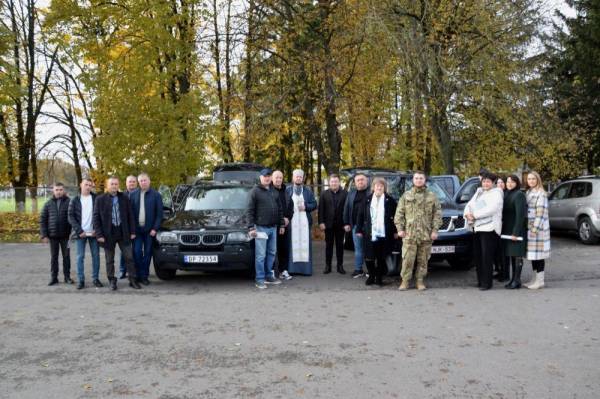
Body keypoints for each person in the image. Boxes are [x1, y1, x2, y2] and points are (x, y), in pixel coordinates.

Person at [395, 172, 442, 291]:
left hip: (426, 234)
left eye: (421, 178)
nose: (419, 180)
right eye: (416, 178)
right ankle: (405, 281)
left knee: (423, 260)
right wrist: (400, 229)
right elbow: (399, 214)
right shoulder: (406, 196)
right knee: (407, 259)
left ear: (425, 180)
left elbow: (437, 215)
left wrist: (435, 230)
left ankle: (420, 281)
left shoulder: (432, 196)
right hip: (409, 234)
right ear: (413, 180)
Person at [93, 176, 141, 290]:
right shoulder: (100, 199)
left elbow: (131, 215)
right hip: (107, 234)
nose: (114, 186)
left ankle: (132, 279)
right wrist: (99, 234)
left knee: (129, 257)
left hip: (123, 232)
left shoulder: (124, 198)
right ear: (107, 186)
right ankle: (112, 280)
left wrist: (133, 231)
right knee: (109, 259)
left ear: (118, 185)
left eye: (116, 184)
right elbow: (96, 218)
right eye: (112, 184)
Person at [464, 172, 504, 290]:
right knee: (478, 256)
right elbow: (469, 205)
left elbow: (491, 209)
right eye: (484, 181)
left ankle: (487, 283)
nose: (485, 183)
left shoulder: (497, 193)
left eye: (488, 182)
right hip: (477, 228)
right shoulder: (479, 192)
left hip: (489, 229)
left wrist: (474, 215)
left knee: (487, 257)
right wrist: (467, 214)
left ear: (493, 183)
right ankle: (481, 281)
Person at [247, 168, 286, 289]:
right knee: (260, 256)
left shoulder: (274, 191)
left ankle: (269, 276)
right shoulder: (255, 191)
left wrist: (282, 225)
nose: (267, 178)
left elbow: (280, 209)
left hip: (273, 228)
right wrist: (251, 228)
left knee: (272, 253)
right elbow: (250, 211)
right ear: (260, 178)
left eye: (269, 176)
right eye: (265, 176)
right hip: (260, 228)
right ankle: (259, 279)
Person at [356, 178, 397, 286]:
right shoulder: (367, 200)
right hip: (370, 233)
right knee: (369, 257)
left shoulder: (390, 200)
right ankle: (372, 276)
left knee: (381, 258)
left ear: (384, 188)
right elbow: (360, 215)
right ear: (373, 187)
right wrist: (359, 229)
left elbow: (396, 217)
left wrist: (396, 231)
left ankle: (379, 277)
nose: (379, 188)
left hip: (385, 233)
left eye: (381, 186)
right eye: (377, 186)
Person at [68, 177, 101, 289]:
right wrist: (79, 231)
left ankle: (95, 279)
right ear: (81, 185)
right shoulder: (75, 200)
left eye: (90, 185)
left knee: (96, 256)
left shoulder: (96, 198)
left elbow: (101, 216)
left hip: (93, 233)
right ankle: (81, 280)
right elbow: (70, 216)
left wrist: (97, 230)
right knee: (80, 257)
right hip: (80, 234)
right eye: (86, 184)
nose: (88, 187)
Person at [130, 173, 163, 285]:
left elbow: (159, 215)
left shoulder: (156, 195)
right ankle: (138, 274)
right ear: (138, 183)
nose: (143, 182)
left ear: (149, 181)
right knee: (137, 252)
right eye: (141, 181)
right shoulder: (133, 195)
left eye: (145, 180)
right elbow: (130, 214)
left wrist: (155, 228)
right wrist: (132, 230)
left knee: (148, 253)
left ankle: (144, 276)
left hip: (150, 231)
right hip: (137, 231)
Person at [286, 169, 317, 276]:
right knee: (292, 245)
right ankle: (292, 269)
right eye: (296, 176)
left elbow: (314, 204)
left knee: (304, 245)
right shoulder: (288, 190)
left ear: (303, 178)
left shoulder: (308, 191)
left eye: (300, 176)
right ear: (293, 177)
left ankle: (305, 270)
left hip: (304, 223)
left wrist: (306, 206)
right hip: (292, 223)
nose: (298, 178)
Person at [40, 183, 73, 286]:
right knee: (54, 257)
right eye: (57, 190)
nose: (59, 191)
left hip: (66, 236)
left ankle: (67, 277)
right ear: (53, 191)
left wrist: (73, 233)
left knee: (66, 257)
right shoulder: (48, 204)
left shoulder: (69, 202)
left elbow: (74, 218)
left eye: (61, 189)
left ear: (64, 190)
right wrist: (44, 235)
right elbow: (43, 220)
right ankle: (54, 278)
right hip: (53, 236)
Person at [525, 171, 551, 290]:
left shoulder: (541, 194)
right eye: (529, 179)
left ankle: (540, 281)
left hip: (538, 229)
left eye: (533, 179)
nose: (531, 181)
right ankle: (534, 278)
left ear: (538, 180)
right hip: (530, 227)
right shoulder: (529, 192)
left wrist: (535, 228)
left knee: (539, 255)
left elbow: (540, 213)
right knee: (533, 255)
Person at [318, 174, 348, 274]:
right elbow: (321, 209)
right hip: (328, 225)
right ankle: (328, 266)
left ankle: (340, 266)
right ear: (329, 183)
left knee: (340, 246)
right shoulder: (324, 194)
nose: (334, 183)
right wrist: (321, 222)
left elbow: (347, 210)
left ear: (339, 182)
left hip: (341, 224)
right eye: (332, 181)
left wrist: (347, 223)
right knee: (328, 246)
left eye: (336, 181)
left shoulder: (345, 193)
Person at [502, 175, 528, 289]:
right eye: (508, 181)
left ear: (517, 183)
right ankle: (513, 279)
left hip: (516, 230)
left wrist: (515, 233)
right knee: (512, 255)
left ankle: (517, 280)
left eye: (512, 182)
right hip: (507, 230)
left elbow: (520, 216)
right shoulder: (507, 194)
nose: (509, 183)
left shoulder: (519, 195)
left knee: (517, 255)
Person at [343, 173, 370, 278]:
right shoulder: (351, 194)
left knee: (369, 249)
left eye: (362, 180)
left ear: (366, 181)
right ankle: (358, 270)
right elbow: (346, 209)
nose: (360, 182)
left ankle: (370, 270)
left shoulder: (371, 192)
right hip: (355, 226)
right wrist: (346, 223)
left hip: (369, 227)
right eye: (358, 180)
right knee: (358, 249)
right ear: (355, 182)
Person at [272, 170, 293, 280]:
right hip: (273, 225)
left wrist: (288, 218)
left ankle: (283, 270)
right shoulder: (269, 191)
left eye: (280, 177)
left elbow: (290, 206)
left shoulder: (286, 191)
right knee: (272, 250)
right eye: (276, 177)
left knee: (284, 249)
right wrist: (280, 221)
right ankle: (272, 272)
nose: (279, 179)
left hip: (285, 226)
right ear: (272, 178)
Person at [119, 175, 138, 279]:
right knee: (124, 251)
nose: (131, 183)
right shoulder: (121, 195)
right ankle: (122, 270)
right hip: (124, 228)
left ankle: (134, 271)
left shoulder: (140, 194)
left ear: (136, 183)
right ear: (126, 183)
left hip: (137, 228)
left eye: (133, 182)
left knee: (136, 251)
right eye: (130, 182)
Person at [493, 175, 509, 282]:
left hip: (506, 226)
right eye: (498, 183)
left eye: (502, 182)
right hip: (497, 226)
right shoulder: (495, 194)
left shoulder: (507, 195)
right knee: (497, 252)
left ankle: (505, 274)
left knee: (504, 253)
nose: (500, 184)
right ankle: (499, 271)